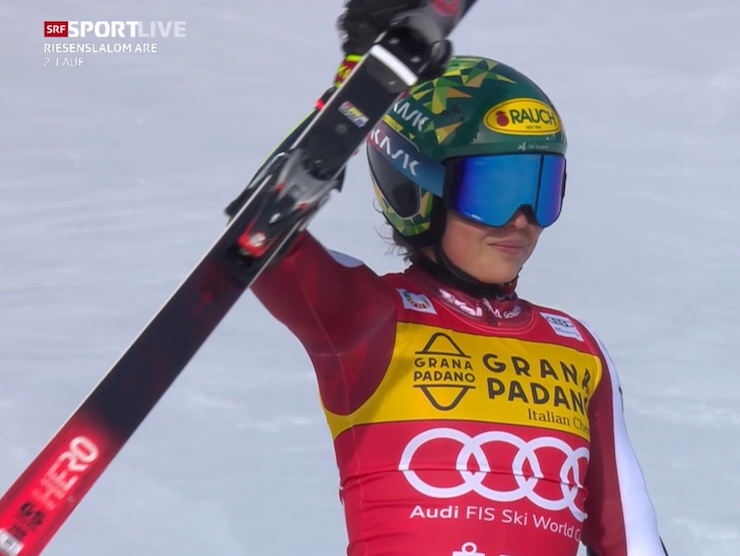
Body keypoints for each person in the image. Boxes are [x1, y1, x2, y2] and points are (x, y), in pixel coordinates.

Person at [241, 1, 669, 554]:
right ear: (417, 192)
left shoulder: (578, 350)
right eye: (494, 191)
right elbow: (260, 235)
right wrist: (355, 94)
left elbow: (630, 537)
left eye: (540, 190)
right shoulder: (370, 319)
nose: (522, 219)